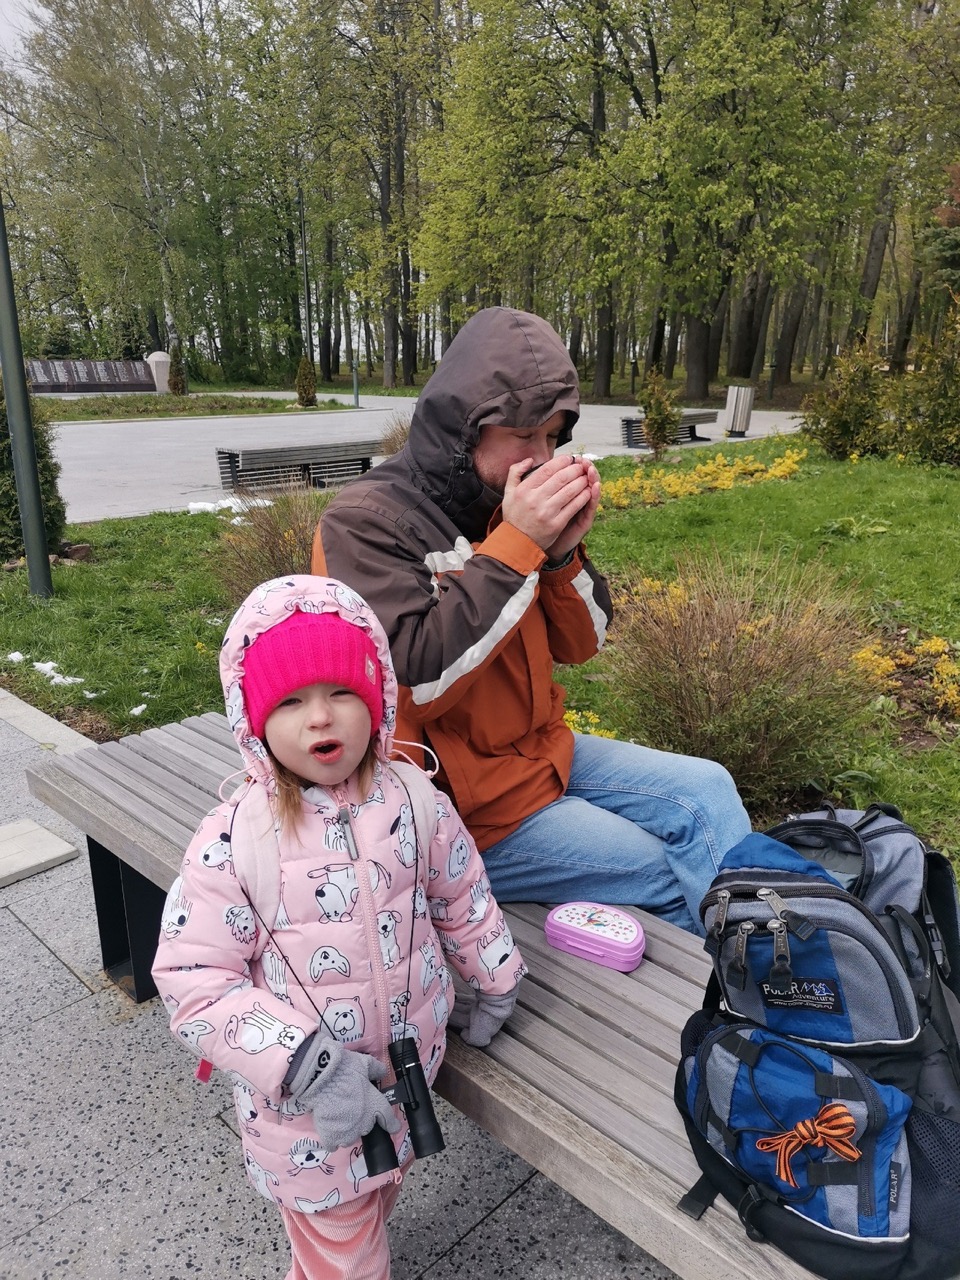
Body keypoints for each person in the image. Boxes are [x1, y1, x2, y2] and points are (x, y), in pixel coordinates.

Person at [311, 306, 752, 935]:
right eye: (525, 435)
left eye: (552, 437)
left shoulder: (505, 504)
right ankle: (739, 976)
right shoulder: (365, 522)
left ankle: (768, 956)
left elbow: (585, 643)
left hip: (538, 755)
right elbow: (412, 682)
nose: (543, 457)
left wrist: (562, 556)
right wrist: (517, 545)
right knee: (664, 869)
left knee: (707, 790)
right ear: (467, 429)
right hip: (458, 813)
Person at [152, 575, 524, 1280]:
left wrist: (495, 972)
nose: (320, 718)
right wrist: (307, 1066)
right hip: (305, 1114)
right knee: (346, 1259)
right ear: (254, 720)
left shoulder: (414, 800)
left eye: (341, 693)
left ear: (377, 697)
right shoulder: (236, 839)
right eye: (290, 701)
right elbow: (194, 980)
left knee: (373, 1207)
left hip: (406, 1076)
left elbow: (460, 893)